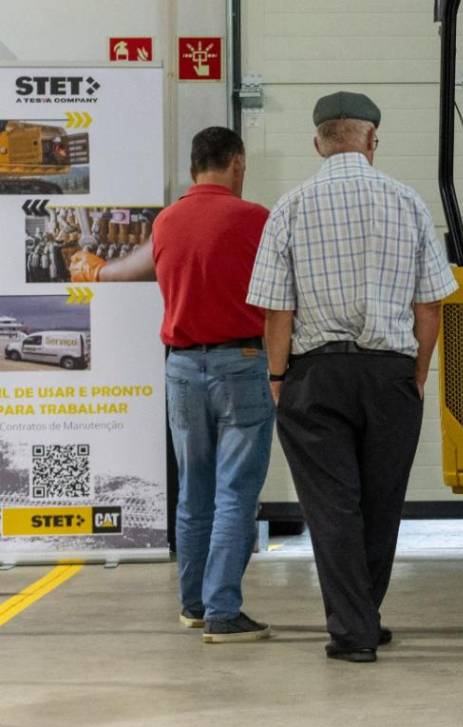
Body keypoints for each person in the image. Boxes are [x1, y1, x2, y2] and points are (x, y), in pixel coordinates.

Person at [247, 91, 457, 664]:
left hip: (315, 375)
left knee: (331, 506)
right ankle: (363, 617)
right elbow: (431, 307)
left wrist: (277, 377)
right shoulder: (408, 204)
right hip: (390, 373)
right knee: (381, 502)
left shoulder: (290, 208)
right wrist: (416, 375)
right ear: (371, 140)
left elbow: (277, 311)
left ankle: (354, 628)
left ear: (319, 142)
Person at [154, 126, 275, 643]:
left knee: (193, 493)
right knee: (234, 496)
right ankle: (224, 611)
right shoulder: (255, 220)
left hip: (180, 367)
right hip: (241, 363)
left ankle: (194, 605)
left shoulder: (165, 222)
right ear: (237, 163)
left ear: (192, 168)